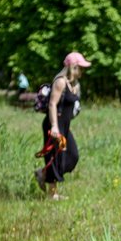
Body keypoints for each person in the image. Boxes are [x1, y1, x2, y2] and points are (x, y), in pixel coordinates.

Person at [34, 52, 90, 200]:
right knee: (55, 157)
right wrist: (54, 127)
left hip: (64, 125)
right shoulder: (60, 82)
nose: (83, 71)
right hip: (54, 124)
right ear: (73, 67)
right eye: (81, 68)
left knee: (73, 156)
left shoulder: (75, 85)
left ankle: (43, 173)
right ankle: (52, 194)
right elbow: (52, 104)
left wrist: (65, 125)